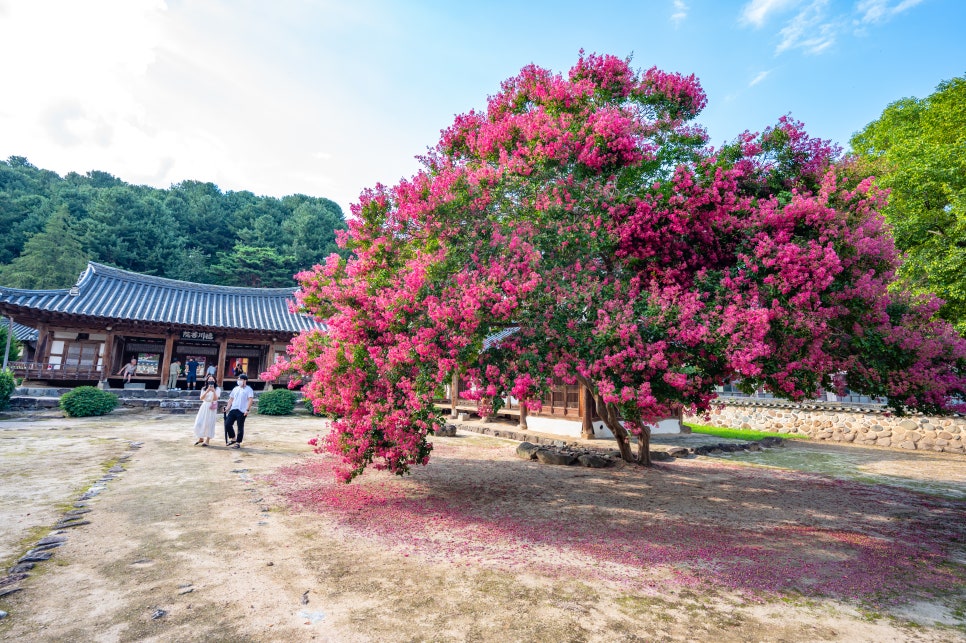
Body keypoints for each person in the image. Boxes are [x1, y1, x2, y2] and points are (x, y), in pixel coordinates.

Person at [224, 373, 254, 449]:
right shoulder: (235, 388)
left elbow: (250, 400)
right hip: (233, 409)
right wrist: (227, 407)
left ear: (244, 381)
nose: (239, 381)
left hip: (242, 410)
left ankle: (238, 442)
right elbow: (231, 398)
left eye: (240, 379)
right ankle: (233, 438)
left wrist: (247, 410)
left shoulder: (249, 389)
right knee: (227, 424)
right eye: (238, 379)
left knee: (240, 427)